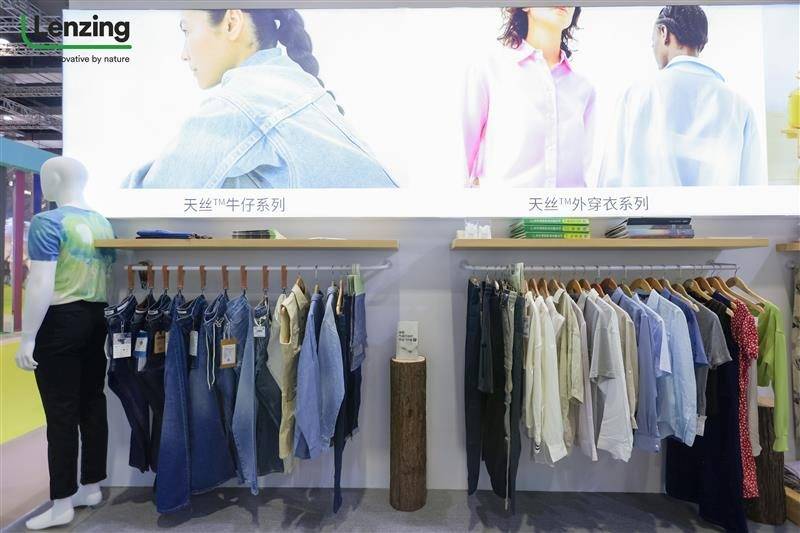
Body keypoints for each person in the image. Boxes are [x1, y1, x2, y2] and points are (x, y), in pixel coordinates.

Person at [125, 9, 396, 189]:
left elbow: (147, 201)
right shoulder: (288, 84)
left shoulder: (244, 101)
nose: (183, 54)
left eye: (186, 31)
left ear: (231, 23)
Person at [599, 6, 765, 187]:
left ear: (664, 33)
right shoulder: (739, 106)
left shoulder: (635, 96)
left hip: (648, 207)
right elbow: (752, 188)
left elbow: (610, 182)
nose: (653, 46)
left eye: (653, 40)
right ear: (702, 43)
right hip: (718, 207)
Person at [461, 6, 596, 188]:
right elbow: (460, 159)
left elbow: (586, 171)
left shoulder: (584, 89)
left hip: (570, 208)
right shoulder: (489, 69)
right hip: (500, 205)